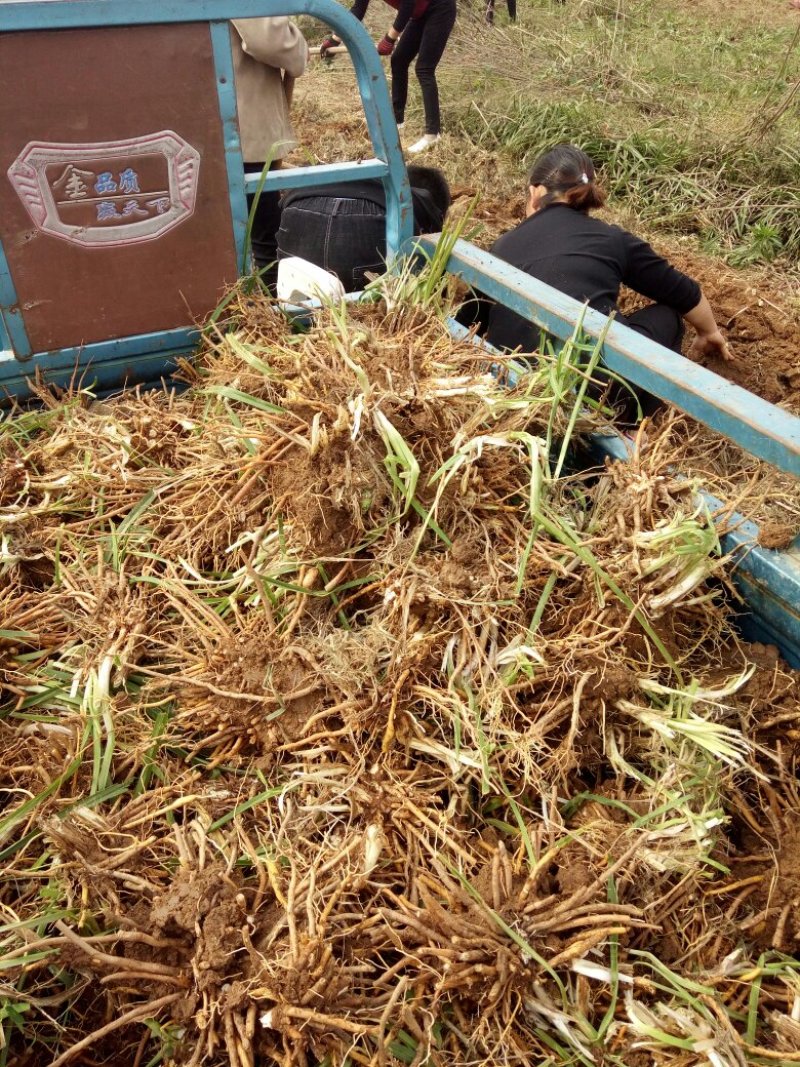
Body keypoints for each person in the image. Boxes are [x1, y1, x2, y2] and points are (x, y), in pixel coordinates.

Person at [480, 144, 731, 421]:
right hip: (598, 395)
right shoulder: (610, 239)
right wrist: (709, 332)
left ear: (535, 191)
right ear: (587, 198)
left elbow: (477, 320)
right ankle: (636, 421)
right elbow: (684, 293)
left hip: (514, 384)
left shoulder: (502, 245)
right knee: (668, 316)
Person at [276, 165, 451, 290]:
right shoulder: (421, 198)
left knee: (298, 300)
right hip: (366, 221)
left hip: (298, 211)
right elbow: (433, 268)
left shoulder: (365, 173)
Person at [319, 0, 457, 154]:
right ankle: (396, 123)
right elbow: (358, 9)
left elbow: (408, 5)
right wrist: (334, 40)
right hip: (419, 15)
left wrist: (389, 39)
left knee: (424, 69)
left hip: (440, 8)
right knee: (398, 61)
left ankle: (432, 134)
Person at [230, 18, 309, 287]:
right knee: (265, 238)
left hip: (188, 117)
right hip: (241, 122)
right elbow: (270, 40)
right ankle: (271, 313)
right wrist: (299, 44)